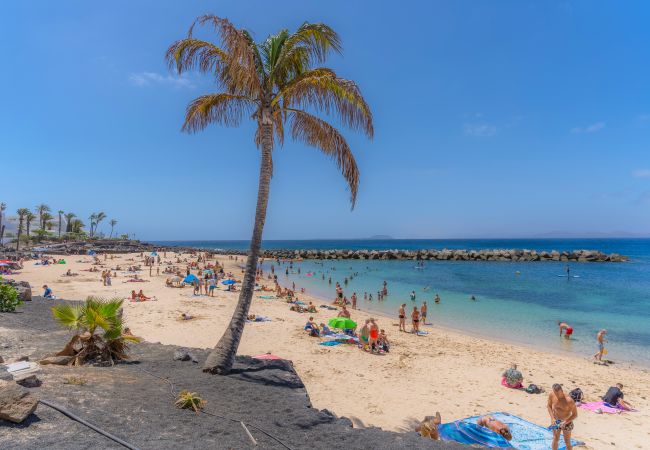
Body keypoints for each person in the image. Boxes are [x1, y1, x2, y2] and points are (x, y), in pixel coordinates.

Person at [547, 384, 578, 450]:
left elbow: (575, 414)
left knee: (567, 441)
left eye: (559, 394)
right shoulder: (552, 395)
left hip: (567, 422)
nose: (557, 396)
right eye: (556, 394)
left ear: (562, 391)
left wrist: (565, 422)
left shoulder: (569, 401)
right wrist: (552, 418)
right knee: (555, 439)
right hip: (556, 421)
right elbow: (549, 406)